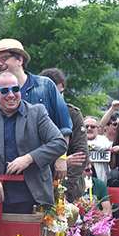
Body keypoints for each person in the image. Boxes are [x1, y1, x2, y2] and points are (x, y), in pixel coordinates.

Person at [0, 71, 67, 214]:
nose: (11, 95)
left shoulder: (37, 112)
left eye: (15, 89)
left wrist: (29, 158)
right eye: (4, 90)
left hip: (31, 194)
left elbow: (59, 143)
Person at [0, 39, 72, 186]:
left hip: (44, 170)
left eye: (4, 59)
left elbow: (64, 125)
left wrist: (61, 158)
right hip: (6, 174)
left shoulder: (45, 85)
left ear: (19, 59)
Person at [38, 68, 88, 196]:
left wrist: (63, 190)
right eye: (54, 93)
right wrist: (61, 161)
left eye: (61, 93)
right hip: (37, 186)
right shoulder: (33, 113)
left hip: (69, 189)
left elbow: (81, 156)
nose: (59, 98)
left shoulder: (73, 114)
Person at [84, 116, 113, 183]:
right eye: (86, 126)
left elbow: (104, 146)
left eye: (92, 126)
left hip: (100, 181)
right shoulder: (76, 140)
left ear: (98, 130)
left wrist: (88, 145)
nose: (89, 128)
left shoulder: (103, 139)